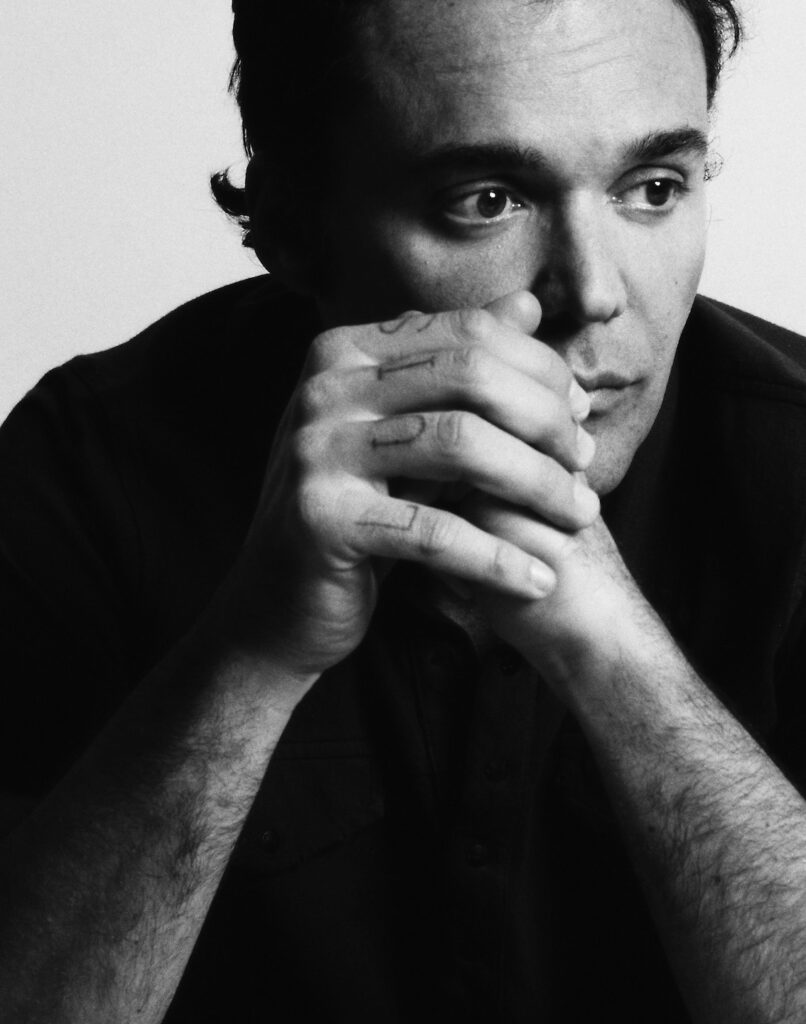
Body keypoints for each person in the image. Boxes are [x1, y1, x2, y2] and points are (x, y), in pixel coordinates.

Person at [2, 0, 806, 1020]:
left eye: (653, 187)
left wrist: (617, 655)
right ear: (293, 229)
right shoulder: (89, 468)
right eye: (486, 200)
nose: (595, 292)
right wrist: (251, 655)